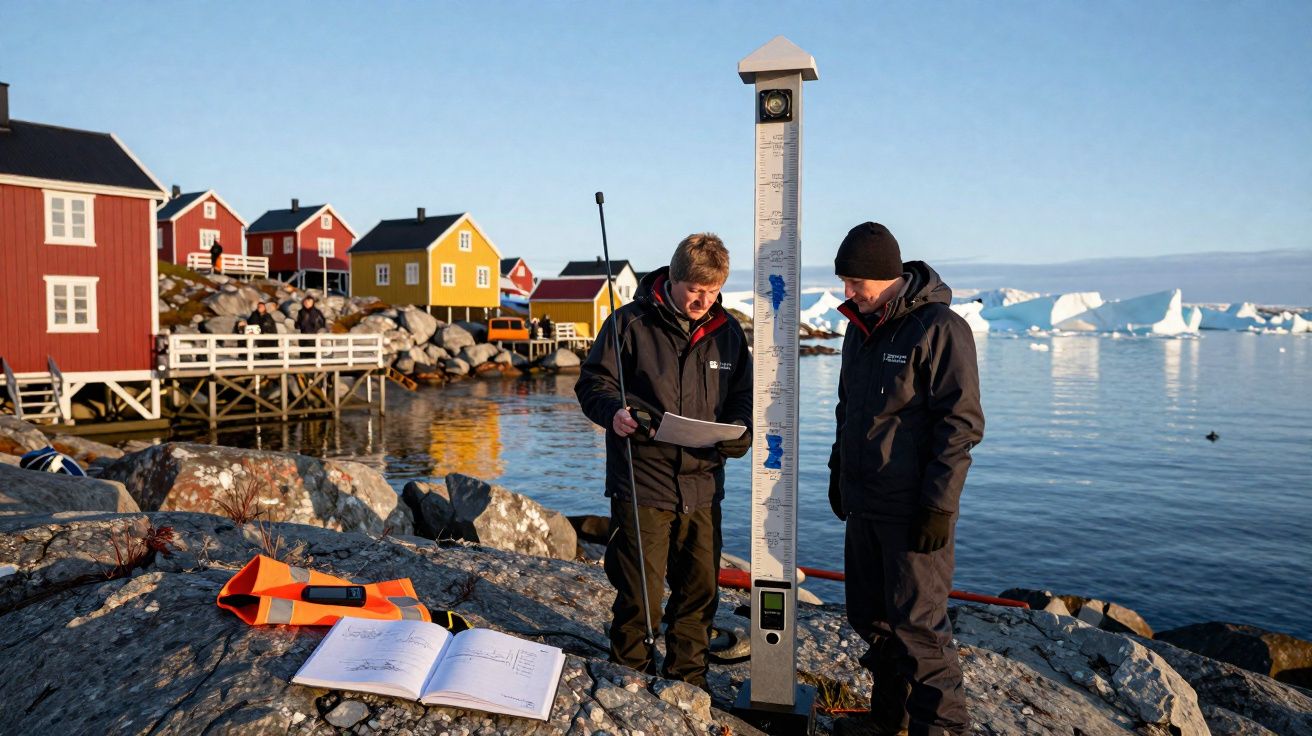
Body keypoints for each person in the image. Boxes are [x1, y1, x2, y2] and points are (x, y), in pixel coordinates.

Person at [575, 233, 752, 691]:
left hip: (703, 486)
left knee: (699, 594)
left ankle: (687, 681)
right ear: (674, 278)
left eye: (713, 290)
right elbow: (593, 384)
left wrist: (741, 432)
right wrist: (612, 412)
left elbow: (744, 400)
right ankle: (629, 678)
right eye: (696, 289)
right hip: (642, 482)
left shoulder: (728, 333)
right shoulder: (628, 324)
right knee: (641, 597)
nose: (704, 299)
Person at [828, 223, 984, 736]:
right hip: (865, 503)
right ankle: (886, 721)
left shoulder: (940, 328)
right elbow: (848, 408)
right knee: (869, 618)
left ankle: (941, 729)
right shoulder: (860, 328)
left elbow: (960, 425)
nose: (848, 293)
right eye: (845, 282)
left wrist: (939, 507)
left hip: (913, 509)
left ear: (886, 276)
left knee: (919, 627)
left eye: (856, 283)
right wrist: (838, 472)